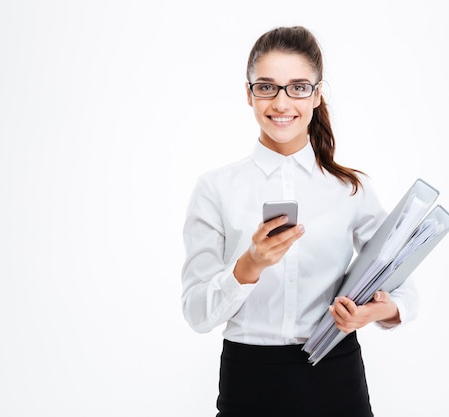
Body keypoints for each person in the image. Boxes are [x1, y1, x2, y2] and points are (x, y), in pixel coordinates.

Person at [181, 25, 419, 417]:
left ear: (317, 93)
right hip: (249, 380)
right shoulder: (215, 189)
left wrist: (372, 312)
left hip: (336, 378)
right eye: (266, 87)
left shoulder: (350, 189)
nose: (281, 102)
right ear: (248, 93)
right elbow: (196, 313)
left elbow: (405, 290)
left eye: (298, 87)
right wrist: (249, 265)